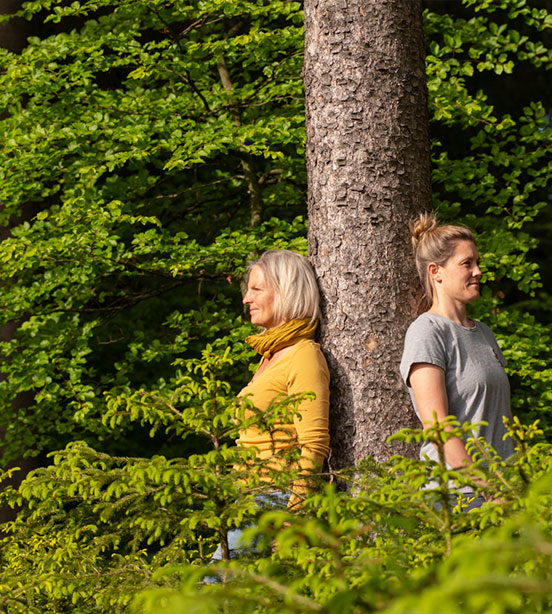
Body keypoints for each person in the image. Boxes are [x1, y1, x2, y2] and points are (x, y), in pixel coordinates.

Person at [209, 249, 330, 566]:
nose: (246, 298)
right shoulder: (271, 356)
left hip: (272, 499)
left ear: (286, 291)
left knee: (209, 591)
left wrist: (294, 515)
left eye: (256, 289)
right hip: (248, 497)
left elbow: (313, 443)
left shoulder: (303, 354)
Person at [400, 213, 514, 509]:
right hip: (458, 495)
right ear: (436, 271)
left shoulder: (484, 333)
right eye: (467, 264)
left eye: (477, 263)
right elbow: (439, 428)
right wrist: (487, 487)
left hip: (501, 488)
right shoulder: (427, 332)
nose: (478, 271)